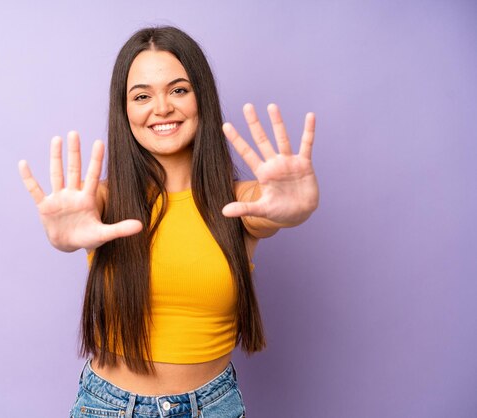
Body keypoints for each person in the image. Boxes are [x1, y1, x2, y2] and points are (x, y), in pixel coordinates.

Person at [19, 26, 318, 418]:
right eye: (142, 96)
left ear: (202, 98)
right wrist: (62, 237)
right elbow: (72, 225)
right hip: (109, 408)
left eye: (178, 90)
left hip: (214, 407)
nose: (161, 108)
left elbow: (271, 210)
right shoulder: (104, 200)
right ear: (124, 110)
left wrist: (295, 209)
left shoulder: (238, 203)